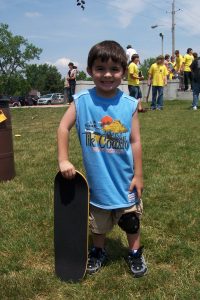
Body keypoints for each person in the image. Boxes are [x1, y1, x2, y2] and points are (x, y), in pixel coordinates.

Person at [57, 40, 148, 278]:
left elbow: (136, 141)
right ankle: (98, 251)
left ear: (124, 73)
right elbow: (63, 128)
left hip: (125, 180)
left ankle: (135, 253)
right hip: (96, 184)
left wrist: (138, 174)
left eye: (114, 70)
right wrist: (63, 160)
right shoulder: (82, 101)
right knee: (98, 224)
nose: (107, 75)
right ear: (90, 70)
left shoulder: (129, 105)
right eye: (100, 69)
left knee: (131, 221)